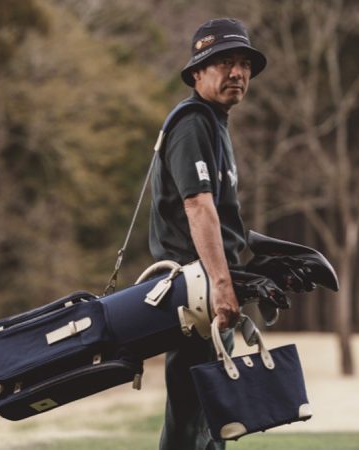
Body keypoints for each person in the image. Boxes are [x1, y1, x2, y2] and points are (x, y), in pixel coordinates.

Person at [148, 18, 267, 450]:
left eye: (244, 64)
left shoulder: (215, 124)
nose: (237, 72)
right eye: (224, 63)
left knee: (213, 423)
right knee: (190, 424)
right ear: (197, 73)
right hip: (197, 295)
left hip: (208, 294)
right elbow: (198, 206)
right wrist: (221, 283)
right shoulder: (193, 123)